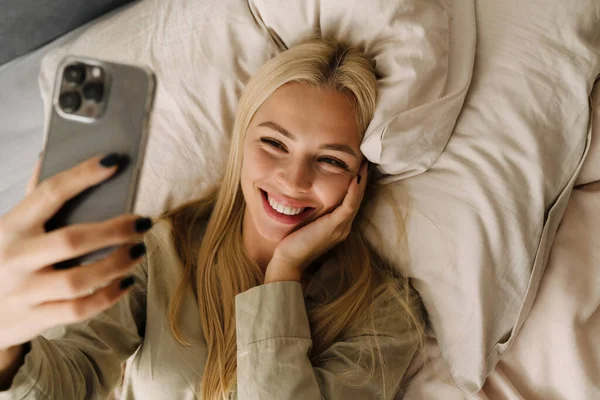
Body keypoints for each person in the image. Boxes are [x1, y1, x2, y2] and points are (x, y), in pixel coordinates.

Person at [0, 36, 424, 399]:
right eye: (275, 144)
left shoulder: (386, 316)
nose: (294, 181)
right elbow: (71, 380)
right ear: (241, 142)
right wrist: (5, 346)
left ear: (359, 179)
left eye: (330, 160)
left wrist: (284, 274)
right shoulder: (160, 252)